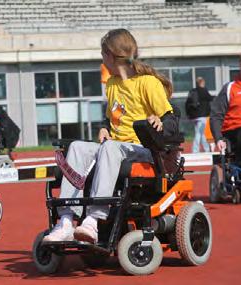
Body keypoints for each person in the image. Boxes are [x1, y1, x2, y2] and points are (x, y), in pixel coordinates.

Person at [42, 28, 179, 243]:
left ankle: (94, 220)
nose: (101, 58)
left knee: (110, 147)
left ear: (111, 55)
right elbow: (113, 117)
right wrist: (105, 127)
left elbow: (171, 119)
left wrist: (159, 123)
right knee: (77, 146)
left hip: (142, 150)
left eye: (102, 54)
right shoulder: (113, 84)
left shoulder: (147, 83)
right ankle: (66, 220)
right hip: (115, 147)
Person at [210, 49, 241, 166]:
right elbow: (216, 115)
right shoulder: (230, 88)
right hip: (236, 132)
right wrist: (218, 138)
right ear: (240, 67)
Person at [185, 77, 213, 153]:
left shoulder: (192, 91)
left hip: (194, 116)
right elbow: (210, 98)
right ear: (202, 83)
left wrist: (188, 114)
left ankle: (206, 149)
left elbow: (187, 103)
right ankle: (195, 149)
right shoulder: (204, 91)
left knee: (201, 132)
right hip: (202, 116)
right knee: (199, 133)